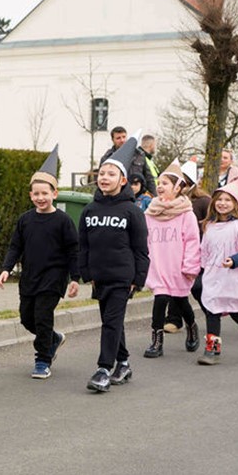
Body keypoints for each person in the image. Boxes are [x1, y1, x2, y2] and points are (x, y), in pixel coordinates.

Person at [0, 146, 80, 379]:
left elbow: (73, 250)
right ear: (30, 195)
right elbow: (16, 246)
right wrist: (5, 268)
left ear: (55, 193)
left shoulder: (63, 221)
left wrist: (75, 278)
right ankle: (53, 338)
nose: (40, 198)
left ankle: (43, 360)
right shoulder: (25, 220)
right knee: (27, 318)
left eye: (45, 193)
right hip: (30, 277)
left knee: (43, 317)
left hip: (53, 278)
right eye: (36, 194)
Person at [81, 135, 150, 392]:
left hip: (123, 276)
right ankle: (123, 363)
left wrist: (138, 279)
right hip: (100, 276)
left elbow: (141, 249)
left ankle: (103, 369)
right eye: (101, 173)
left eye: (111, 173)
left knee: (111, 321)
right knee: (113, 321)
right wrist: (86, 273)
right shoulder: (90, 210)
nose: (104, 177)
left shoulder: (132, 211)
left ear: (123, 181)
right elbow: (84, 244)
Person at [142, 161, 202, 358]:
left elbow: (193, 242)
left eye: (165, 183)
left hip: (178, 266)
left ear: (178, 188)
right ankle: (156, 342)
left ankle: (191, 326)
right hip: (158, 265)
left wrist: (190, 266)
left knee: (181, 300)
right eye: (159, 183)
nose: (160, 186)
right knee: (160, 301)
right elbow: (143, 239)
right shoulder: (150, 213)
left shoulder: (187, 214)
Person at [196, 184, 238, 365]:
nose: (223, 204)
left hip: (234, 276)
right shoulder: (209, 226)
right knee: (211, 309)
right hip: (213, 276)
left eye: (227, 200)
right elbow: (205, 251)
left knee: (236, 311)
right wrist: (201, 269)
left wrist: (234, 260)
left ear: (235, 203)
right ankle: (212, 350)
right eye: (220, 200)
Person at [100, 126, 155, 196]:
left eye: (124, 137)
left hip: (137, 197)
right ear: (113, 140)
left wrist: (154, 196)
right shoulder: (107, 158)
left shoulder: (139, 155)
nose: (122, 140)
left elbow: (149, 178)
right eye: (118, 138)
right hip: (117, 196)